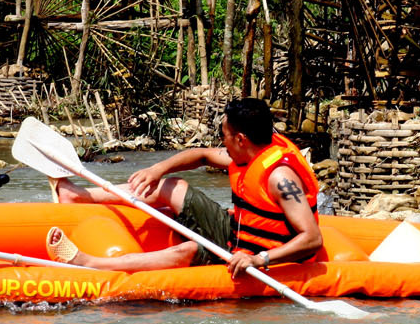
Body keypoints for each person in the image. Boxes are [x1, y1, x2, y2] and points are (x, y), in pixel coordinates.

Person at [45, 97, 323, 274]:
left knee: (187, 250)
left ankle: (90, 263)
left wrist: (260, 260)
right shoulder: (248, 152)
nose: (221, 143)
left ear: (240, 139)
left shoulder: (279, 177)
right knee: (173, 185)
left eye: (224, 136)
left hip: (260, 255)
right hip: (235, 233)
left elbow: (312, 239)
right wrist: (157, 168)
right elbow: (201, 155)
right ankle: (77, 196)